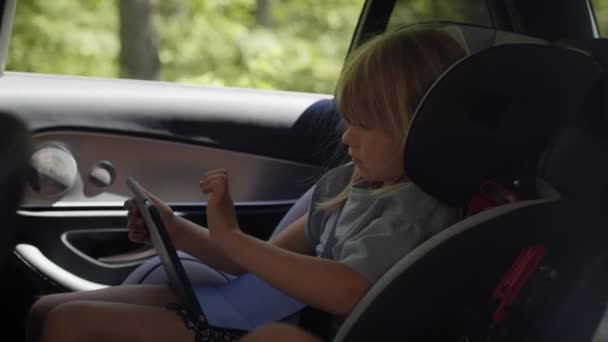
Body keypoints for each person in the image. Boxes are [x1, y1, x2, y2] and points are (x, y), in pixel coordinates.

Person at [26, 27, 466, 342]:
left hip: (273, 324)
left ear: (420, 130)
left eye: (367, 125)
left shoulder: (415, 209)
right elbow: (253, 262)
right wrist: (174, 228)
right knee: (46, 310)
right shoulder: (351, 184)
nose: (347, 137)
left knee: (72, 324)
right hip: (246, 306)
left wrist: (234, 239)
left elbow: (349, 290)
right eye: (349, 122)